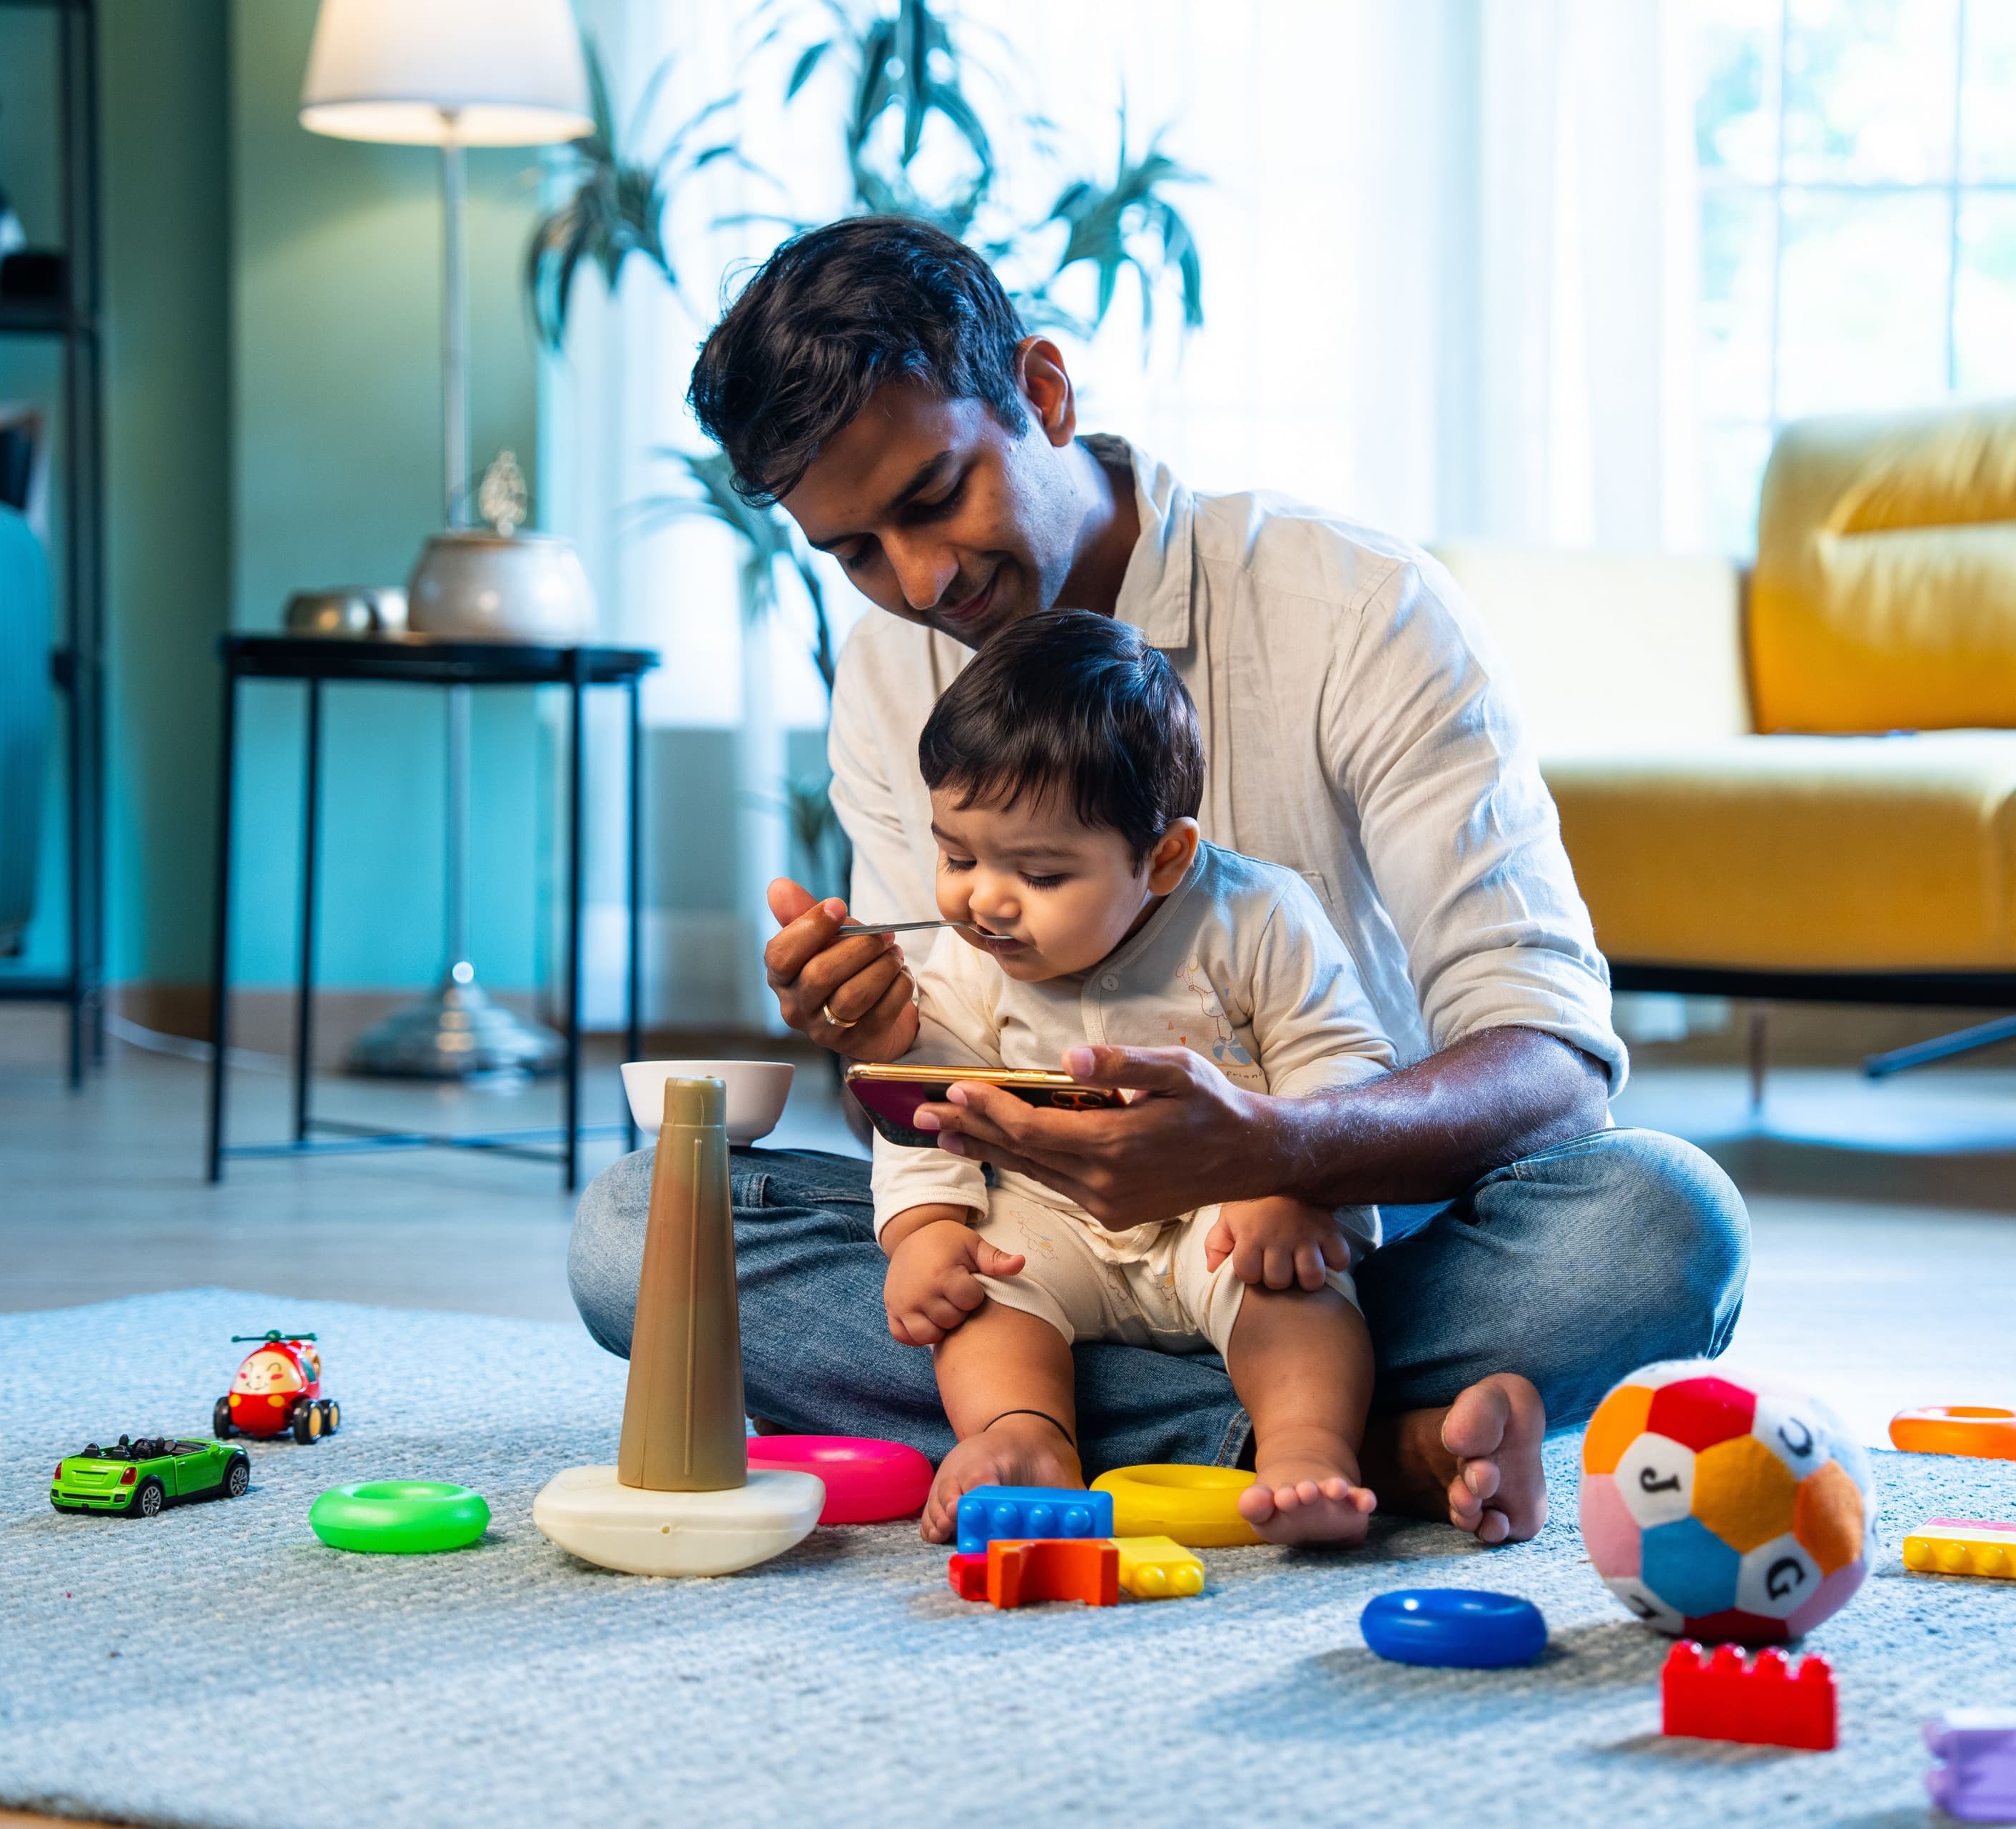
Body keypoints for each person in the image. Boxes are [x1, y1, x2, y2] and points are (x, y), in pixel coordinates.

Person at [569, 216, 1750, 1544]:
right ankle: (1364, 1448)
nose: (921, 581)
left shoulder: (1356, 608)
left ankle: (1095, 1430)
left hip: (1332, 1236)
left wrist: (1280, 1146)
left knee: (1659, 1228)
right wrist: (881, 1044)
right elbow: (923, 1131)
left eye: (935, 494)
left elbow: (1555, 1063)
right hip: (1039, 1255)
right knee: (635, 1231)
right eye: (853, 550)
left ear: (1043, 393)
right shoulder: (892, 666)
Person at [877, 610, 1402, 1546]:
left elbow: (1342, 1066)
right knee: (980, 1300)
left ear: (1164, 858)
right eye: (956, 856)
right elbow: (931, 1106)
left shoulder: (1260, 915)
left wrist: (1292, 1184)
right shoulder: (966, 957)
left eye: (1037, 873)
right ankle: (1027, 1437)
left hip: (1227, 1223)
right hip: (1051, 1224)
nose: (982, 899)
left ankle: (1306, 1452)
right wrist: (926, 1233)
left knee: (1299, 1299)